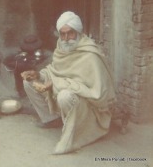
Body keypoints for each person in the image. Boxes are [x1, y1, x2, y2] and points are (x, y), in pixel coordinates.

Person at [21, 11, 116, 154]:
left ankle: (77, 132)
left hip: (89, 106)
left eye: (70, 33)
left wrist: (55, 84)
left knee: (64, 96)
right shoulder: (62, 47)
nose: (66, 38)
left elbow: (97, 94)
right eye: (62, 34)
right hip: (68, 93)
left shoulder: (90, 55)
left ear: (78, 32)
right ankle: (52, 119)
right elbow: (55, 71)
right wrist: (39, 75)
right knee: (29, 83)